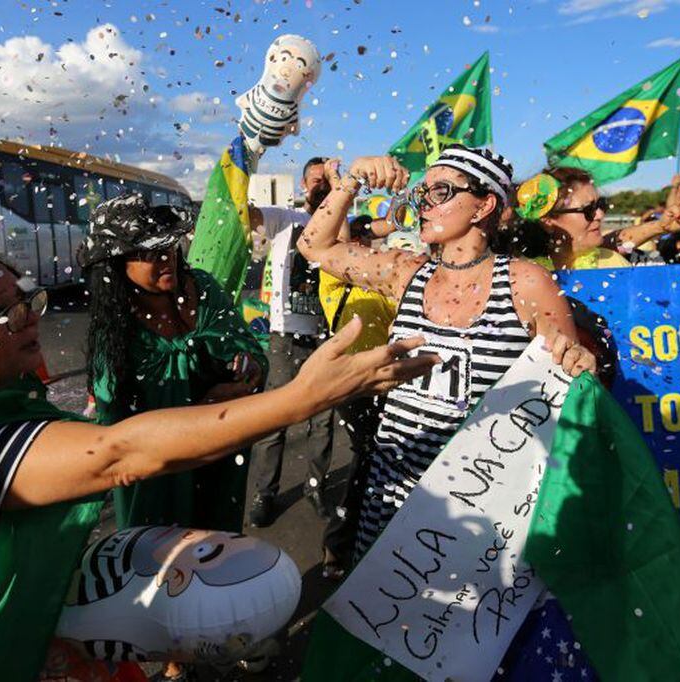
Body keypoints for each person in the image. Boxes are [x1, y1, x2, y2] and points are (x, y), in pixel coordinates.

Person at [0, 245, 436, 681]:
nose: (26, 320)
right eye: (0, 314)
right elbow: (118, 453)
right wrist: (302, 398)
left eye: (25, 302)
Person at [296, 146, 596, 558]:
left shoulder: (527, 283)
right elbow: (314, 246)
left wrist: (579, 364)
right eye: (422, 194)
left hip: (479, 503)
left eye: (439, 192)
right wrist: (352, 181)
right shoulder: (407, 273)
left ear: (483, 205)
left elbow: (568, 396)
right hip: (391, 490)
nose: (423, 204)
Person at [82, 195, 267, 533]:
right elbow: (119, 429)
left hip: (219, 461)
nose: (166, 258)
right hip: (157, 476)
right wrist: (202, 408)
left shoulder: (204, 288)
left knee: (216, 552)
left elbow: (247, 347)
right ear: (116, 264)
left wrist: (249, 371)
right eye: (150, 253)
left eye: (169, 246)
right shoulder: (115, 331)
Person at [246, 156, 339, 527]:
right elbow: (247, 214)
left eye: (327, 181)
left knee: (324, 420)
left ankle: (315, 487)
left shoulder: (341, 223)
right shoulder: (286, 219)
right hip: (286, 333)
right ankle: (264, 493)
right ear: (303, 186)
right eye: (316, 181)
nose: (321, 186)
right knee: (275, 418)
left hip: (327, 334)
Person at [316, 214, 397, 580]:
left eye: (366, 240)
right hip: (350, 383)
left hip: (387, 382)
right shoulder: (334, 277)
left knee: (384, 458)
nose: (362, 246)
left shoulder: (383, 283)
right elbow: (331, 239)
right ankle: (338, 543)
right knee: (367, 459)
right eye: (357, 239)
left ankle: (370, 539)